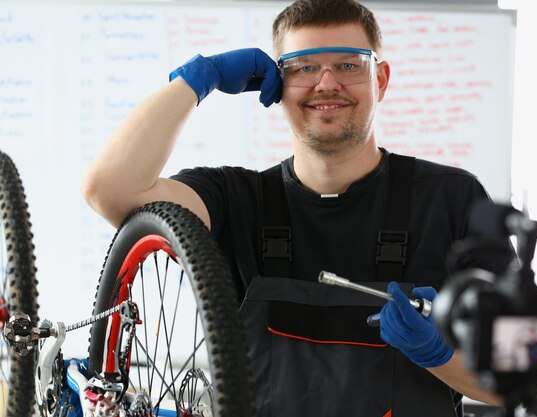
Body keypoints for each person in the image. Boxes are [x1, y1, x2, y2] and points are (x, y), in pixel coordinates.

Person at [81, 0, 512, 415]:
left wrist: (438, 353)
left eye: (348, 65)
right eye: (304, 67)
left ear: (380, 80)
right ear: (277, 85)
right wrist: (197, 80)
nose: (327, 83)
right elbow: (110, 190)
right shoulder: (235, 198)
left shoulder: (453, 200)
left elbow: (518, 382)